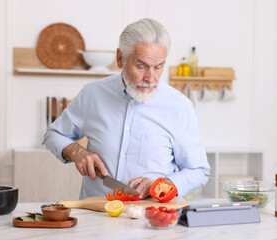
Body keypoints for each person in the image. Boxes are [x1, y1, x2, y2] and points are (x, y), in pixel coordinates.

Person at [43, 18, 210, 200]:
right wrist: (77, 152)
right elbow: (53, 134)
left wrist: (165, 184)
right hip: (96, 217)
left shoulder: (179, 106)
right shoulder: (92, 94)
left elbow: (199, 170)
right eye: (141, 66)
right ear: (120, 58)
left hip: (152, 219)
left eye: (158, 67)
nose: (150, 78)